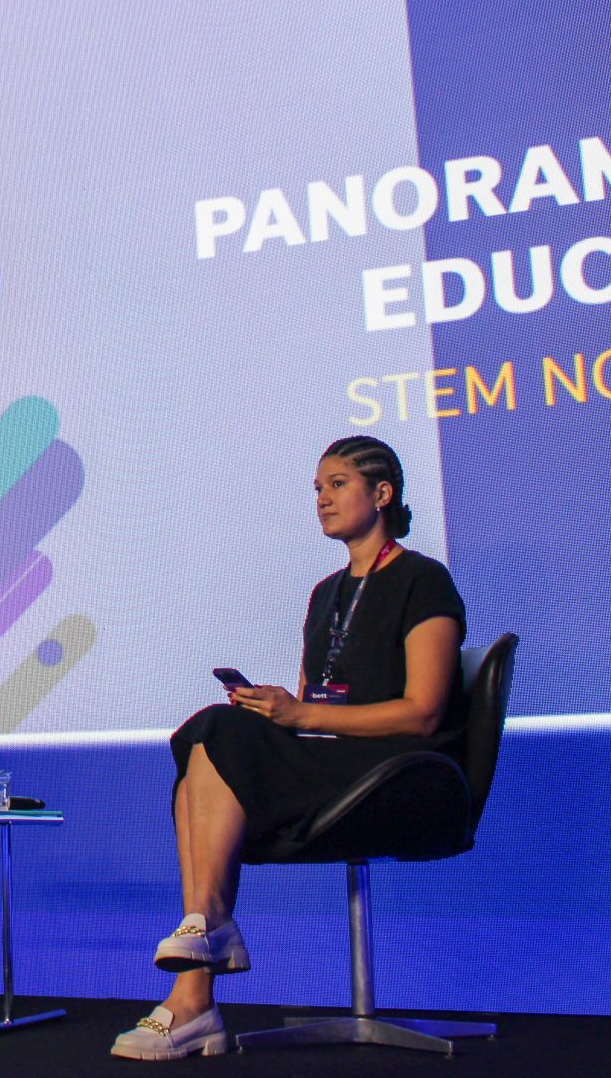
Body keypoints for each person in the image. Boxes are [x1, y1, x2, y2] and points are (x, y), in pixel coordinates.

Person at [113, 435, 468, 1060]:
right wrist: (279, 712)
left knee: (219, 738)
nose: (322, 499)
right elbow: (315, 707)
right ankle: (202, 955)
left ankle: (198, 974)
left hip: (395, 771)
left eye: (336, 484)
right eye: (317, 489)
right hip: (328, 760)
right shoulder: (326, 593)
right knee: (209, 734)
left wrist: (298, 712)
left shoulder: (423, 581)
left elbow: (423, 712)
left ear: (381, 494)